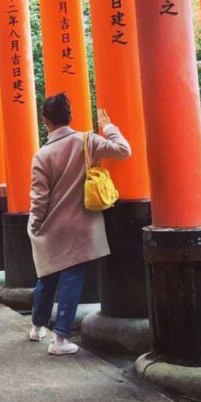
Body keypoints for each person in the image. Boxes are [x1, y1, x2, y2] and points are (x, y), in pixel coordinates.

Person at [27, 93, 131, 355]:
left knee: (47, 277)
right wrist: (108, 127)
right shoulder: (88, 141)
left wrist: (35, 225)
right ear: (70, 117)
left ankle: (37, 327)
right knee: (72, 278)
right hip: (82, 228)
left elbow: (39, 198)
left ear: (45, 121)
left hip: (52, 227)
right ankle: (60, 340)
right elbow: (123, 150)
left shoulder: (42, 155)